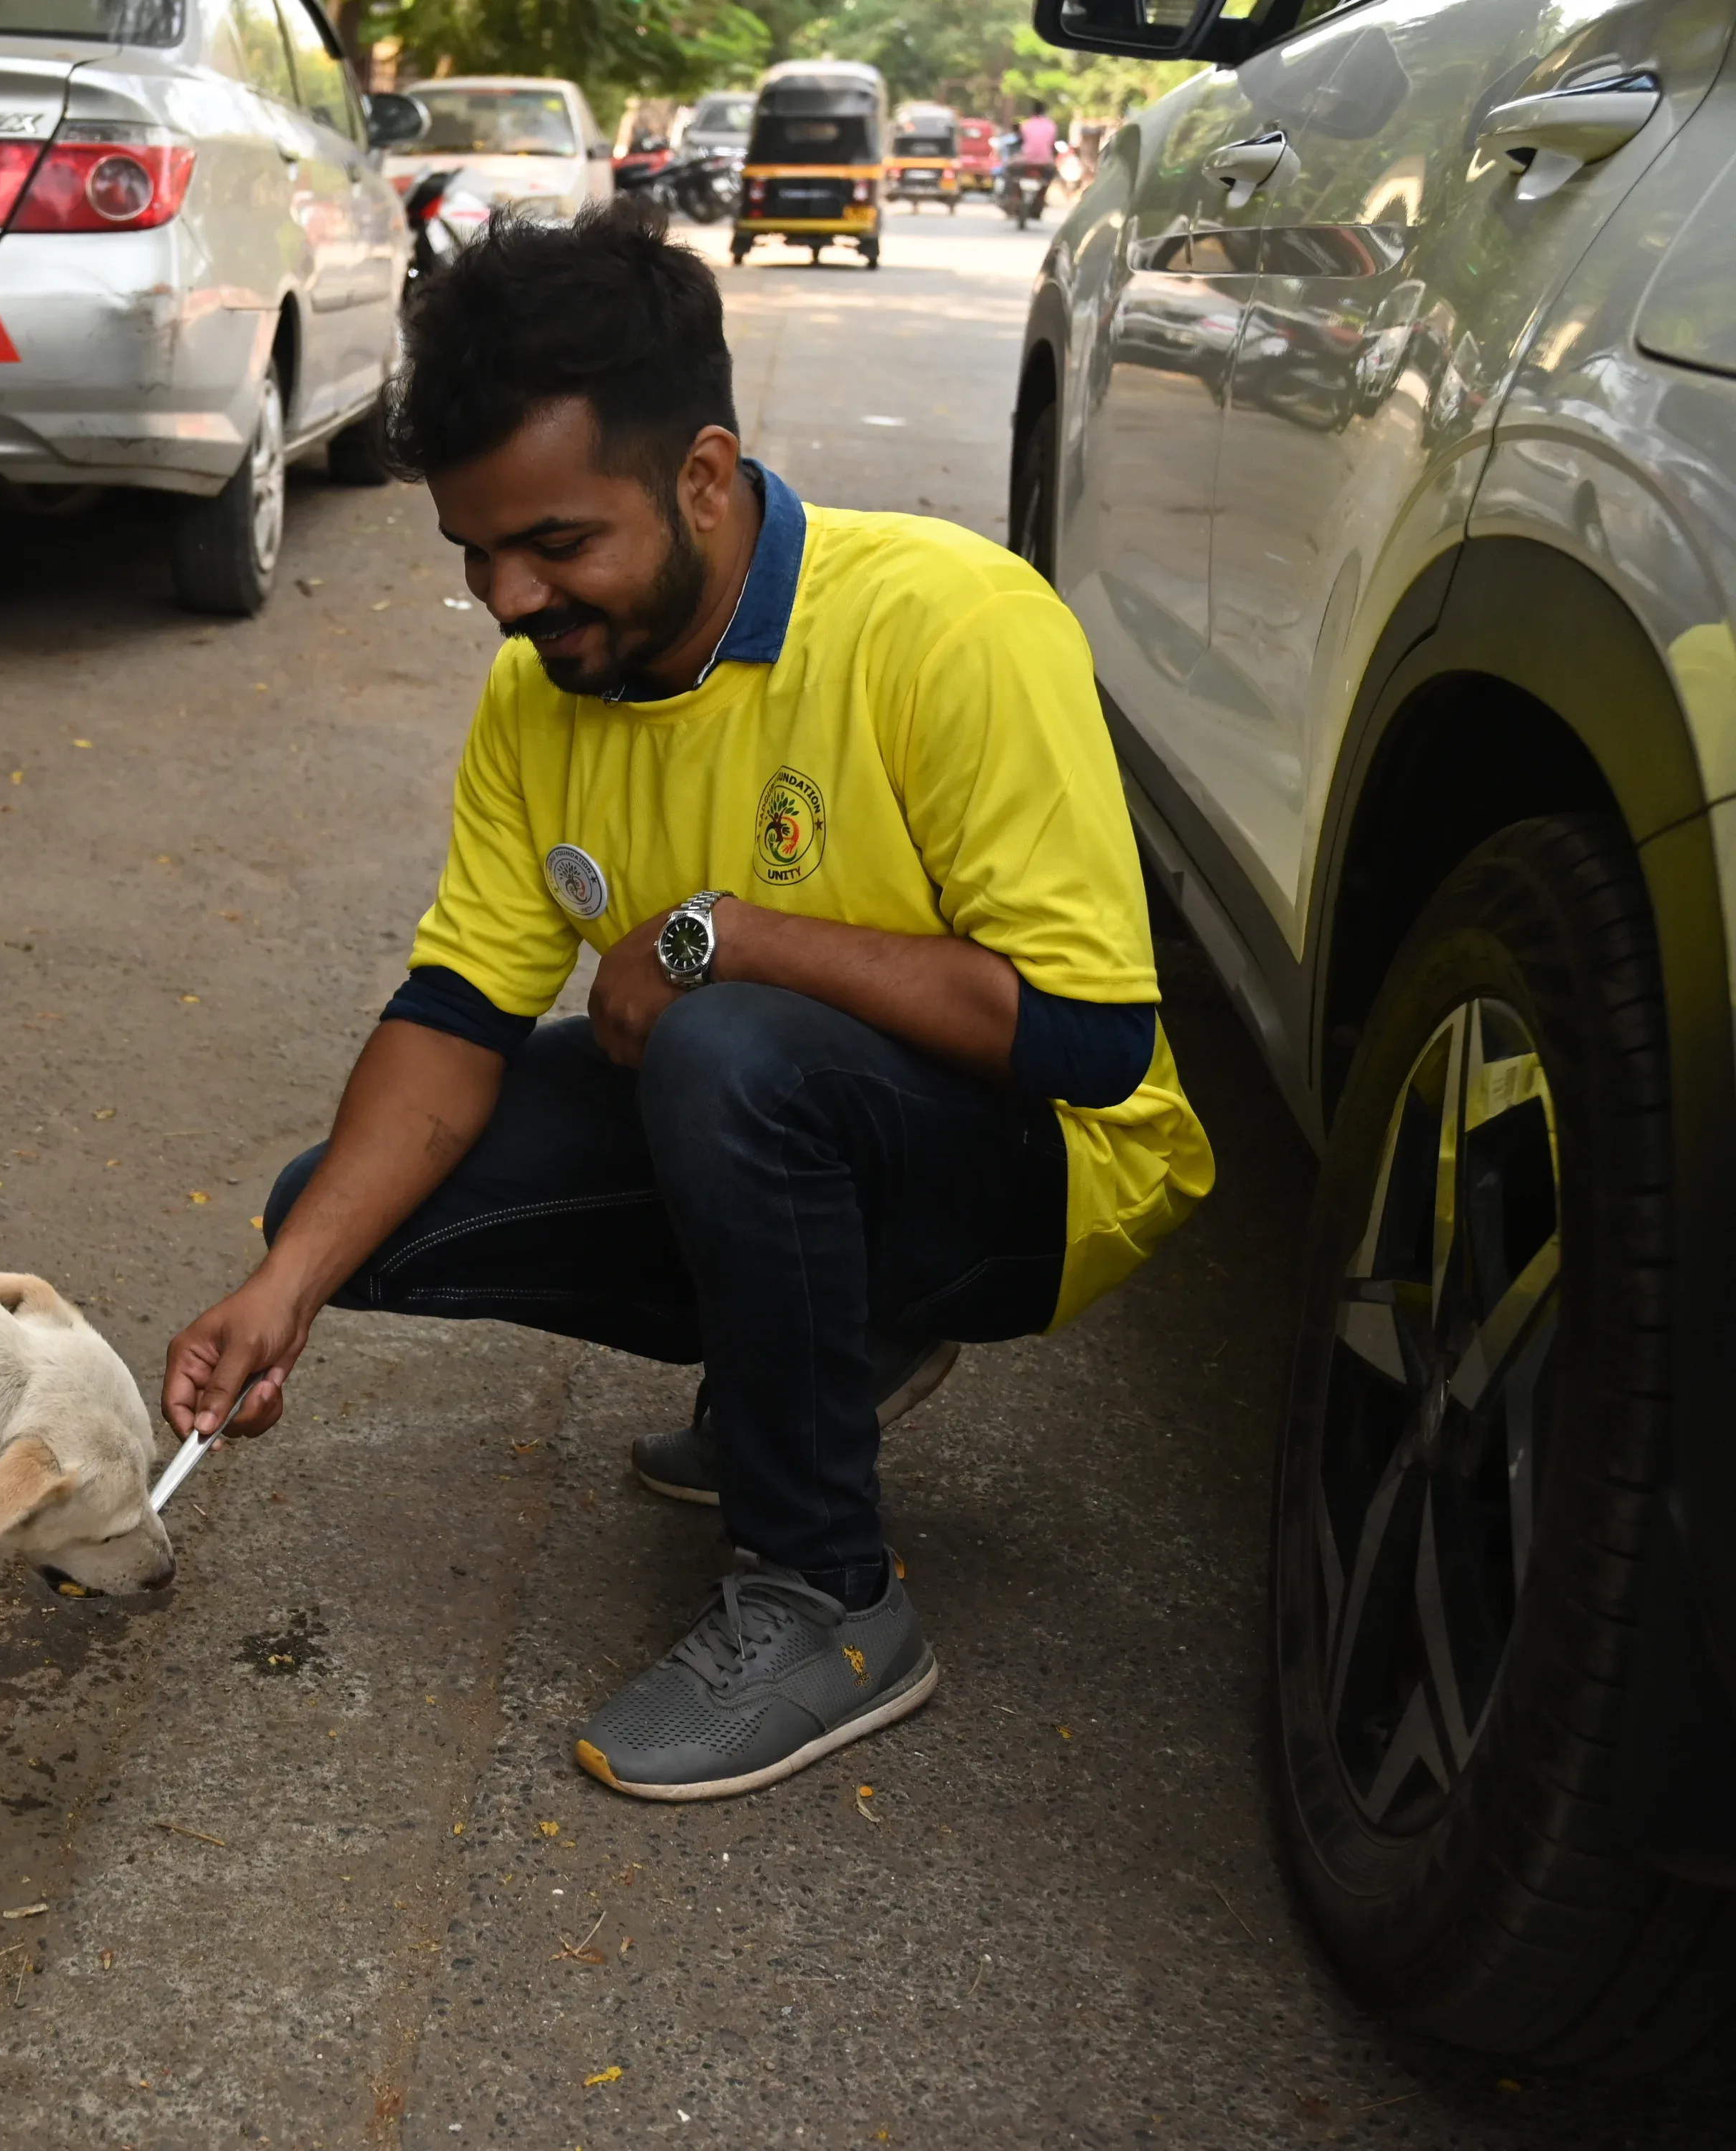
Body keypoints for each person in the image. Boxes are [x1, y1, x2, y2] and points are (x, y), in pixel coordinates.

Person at [161, 203, 1212, 1804]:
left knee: (725, 1047)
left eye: (555, 544)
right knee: (347, 1210)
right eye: (474, 553)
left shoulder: (948, 623)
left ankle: (828, 1597)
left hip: (1047, 1173)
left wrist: (727, 937)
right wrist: (283, 1287)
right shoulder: (546, 688)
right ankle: (802, 1359)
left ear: (701, 477)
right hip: (795, 1115)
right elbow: (455, 1009)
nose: (508, 598)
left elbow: (1092, 1039)